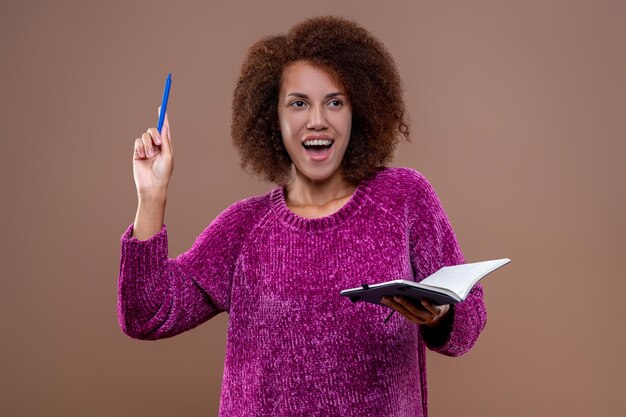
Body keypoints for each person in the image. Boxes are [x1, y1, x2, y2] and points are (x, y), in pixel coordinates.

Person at [118, 16, 487, 417]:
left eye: (335, 101)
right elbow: (147, 315)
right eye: (298, 103)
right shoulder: (243, 229)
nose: (317, 120)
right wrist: (152, 195)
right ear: (271, 117)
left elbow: (467, 325)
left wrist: (441, 316)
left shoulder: (404, 198)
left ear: (357, 111)